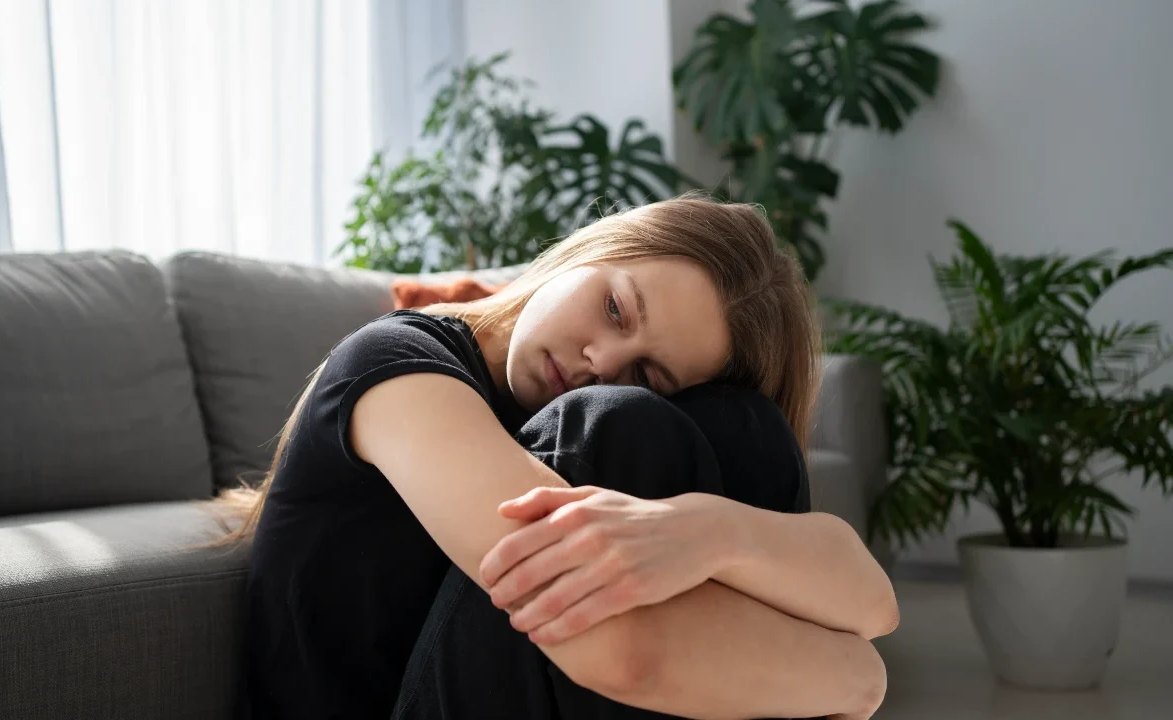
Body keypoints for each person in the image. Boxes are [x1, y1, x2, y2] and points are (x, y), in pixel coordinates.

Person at [207, 196, 898, 720]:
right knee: (618, 424)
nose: (602, 360)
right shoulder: (394, 367)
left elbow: (875, 605)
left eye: (650, 373)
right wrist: (859, 678)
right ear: (589, 251)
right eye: (617, 310)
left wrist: (710, 531)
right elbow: (622, 654)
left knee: (750, 429)